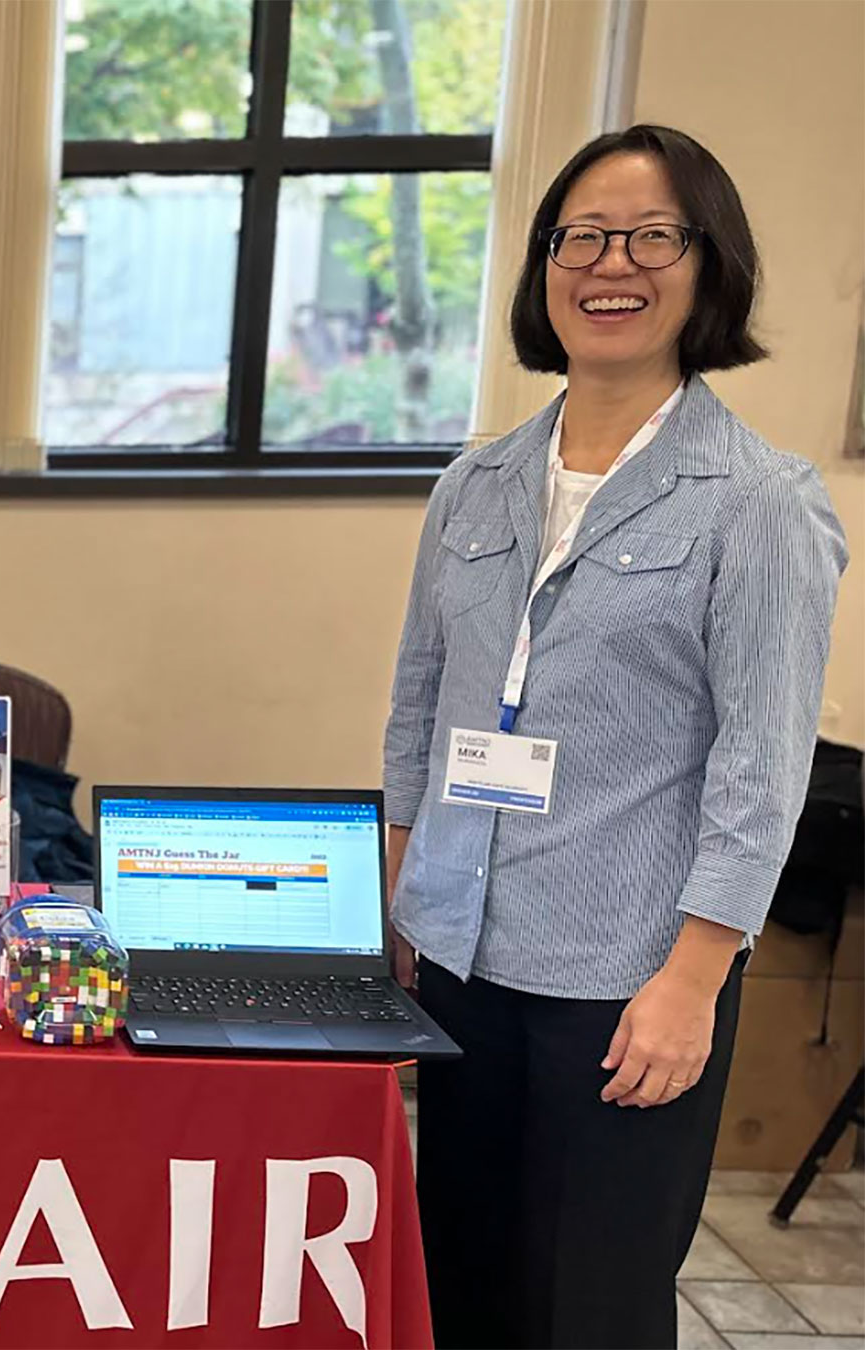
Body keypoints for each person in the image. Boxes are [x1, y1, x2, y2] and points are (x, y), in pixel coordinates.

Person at [382, 124, 847, 1348]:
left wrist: (694, 983)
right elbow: (420, 704)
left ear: (709, 265)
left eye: (651, 237)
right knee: (459, 1283)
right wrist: (398, 898)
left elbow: (762, 767)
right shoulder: (477, 484)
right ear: (545, 263)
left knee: (589, 1308)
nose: (611, 264)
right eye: (581, 236)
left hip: (624, 981)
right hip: (462, 958)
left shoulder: (759, 501)